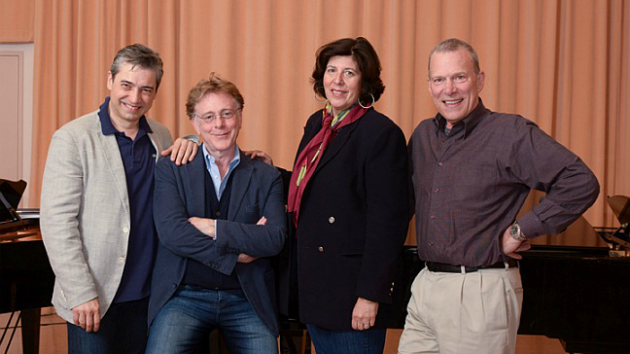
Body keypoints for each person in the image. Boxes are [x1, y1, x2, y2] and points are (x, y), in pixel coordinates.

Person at [398, 38, 600, 354]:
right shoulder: (423, 135)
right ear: (430, 85)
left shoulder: (510, 133)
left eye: (459, 77)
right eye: (439, 80)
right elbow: (401, 204)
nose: (449, 89)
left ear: (480, 79)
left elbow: (580, 181)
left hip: (480, 290)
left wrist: (522, 230)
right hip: (426, 284)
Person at [252, 37, 409, 354]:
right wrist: (275, 173)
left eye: (349, 73)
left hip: (351, 295)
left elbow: (388, 224)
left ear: (365, 81)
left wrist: (370, 295)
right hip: (315, 286)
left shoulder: (381, 134)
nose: (337, 81)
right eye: (331, 70)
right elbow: (318, 189)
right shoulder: (318, 124)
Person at [40, 43, 198, 354]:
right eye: (126, 85)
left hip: (147, 296)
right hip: (93, 298)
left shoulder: (161, 136)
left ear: (154, 93)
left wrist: (193, 140)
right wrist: (81, 291)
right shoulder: (73, 138)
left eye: (146, 90)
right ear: (110, 81)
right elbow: (57, 224)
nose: (135, 98)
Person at [145, 73, 286, 353]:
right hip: (183, 295)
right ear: (195, 123)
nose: (218, 124)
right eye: (208, 117)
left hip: (247, 296)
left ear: (240, 116)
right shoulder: (170, 168)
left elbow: (273, 238)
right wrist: (236, 254)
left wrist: (212, 227)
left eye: (226, 114)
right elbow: (173, 234)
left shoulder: (266, 175)